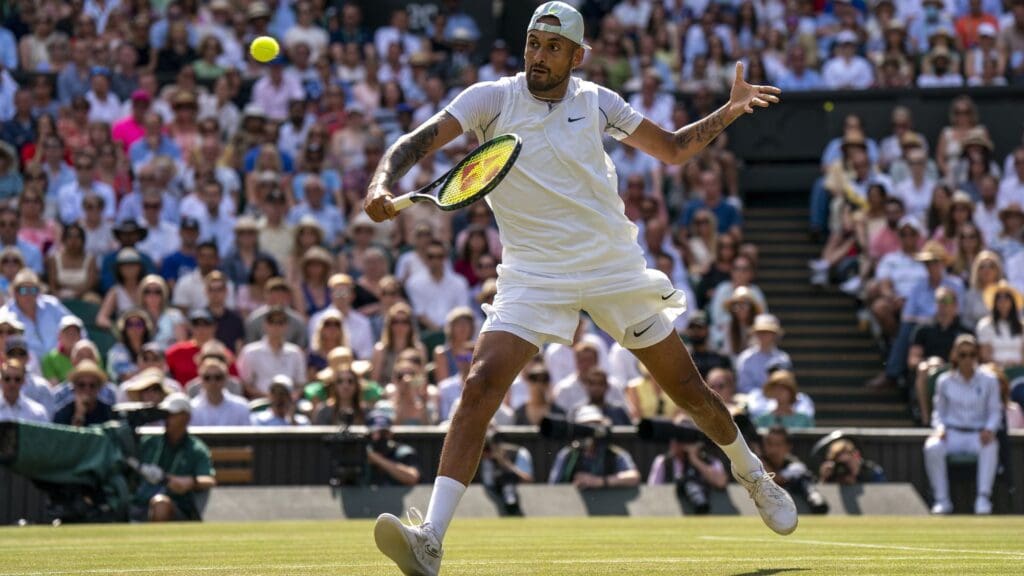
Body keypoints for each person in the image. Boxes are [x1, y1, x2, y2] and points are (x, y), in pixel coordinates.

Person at [368, 5, 795, 571]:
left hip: (610, 265)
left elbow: (672, 149)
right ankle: (430, 538)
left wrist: (731, 108)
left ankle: (753, 473)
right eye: (533, 43)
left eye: (553, 47)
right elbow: (415, 143)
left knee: (689, 390)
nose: (538, 55)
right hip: (533, 273)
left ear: (577, 56)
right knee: (480, 384)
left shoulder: (599, 102)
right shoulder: (489, 98)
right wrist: (380, 183)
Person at [924, 335, 1002, 515]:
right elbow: (938, 413)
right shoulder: (944, 381)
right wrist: (940, 429)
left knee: (990, 445)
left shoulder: (990, 380)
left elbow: (995, 411)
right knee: (932, 446)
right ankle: (942, 500)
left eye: (971, 354)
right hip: (952, 434)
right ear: (955, 356)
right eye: (963, 355)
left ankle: (983, 498)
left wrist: (989, 429)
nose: (967, 359)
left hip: (977, 435)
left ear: (977, 355)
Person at [132, 393, 216, 522]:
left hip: (178, 506)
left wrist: (190, 482)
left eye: (173, 414)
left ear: (186, 417)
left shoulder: (196, 449)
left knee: (161, 504)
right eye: (166, 414)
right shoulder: (149, 443)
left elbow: (209, 479)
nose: (167, 419)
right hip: (141, 503)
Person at [647, 415, 729, 514]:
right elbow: (652, 490)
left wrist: (694, 459)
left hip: (706, 513)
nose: (679, 441)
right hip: (669, 513)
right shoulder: (663, 462)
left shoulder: (710, 461)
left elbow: (721, 482)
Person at [547, 405, 641, 488]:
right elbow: (553, 486)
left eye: (595, 425)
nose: (590, 430)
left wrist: (599, 481)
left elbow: (634, 477)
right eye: (584, 426)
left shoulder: (614, 453)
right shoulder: (568, 454)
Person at [1, 269, 72, 361]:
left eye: (33, 290)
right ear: (15, 292)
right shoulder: (4, 314)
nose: (28, 295)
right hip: (25, 366)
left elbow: (76, 327)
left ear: (38, 292)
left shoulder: (52, 305)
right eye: (23, 290)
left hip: (60, 363)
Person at [237, 306, 305, 398]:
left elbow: (300, 384)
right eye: (272, 322)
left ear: (286, 326)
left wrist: (290, 397)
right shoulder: (250, 351)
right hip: (260, 402)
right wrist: (268, 397)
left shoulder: (296, 352)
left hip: (290, 402)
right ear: (265, 325)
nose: (276, 326)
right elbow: (245, 384)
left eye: (280, 322)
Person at [761, 427, 828, 514]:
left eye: (778, 444)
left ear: (788, 447)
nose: (773, 449)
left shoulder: (796, 466)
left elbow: (777, 479)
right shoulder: (756, 461)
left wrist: (758, 461)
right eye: (769, 444)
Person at [365, 410, 422, 487]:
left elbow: (412, 477)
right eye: (374, 433)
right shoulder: (363, 451)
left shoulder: (403, 452)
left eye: (383, 433)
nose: (378, 437)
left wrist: (378, 459)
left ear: (390, 434)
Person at [189, 358, 251, 426]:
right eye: (207, 377)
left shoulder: (241, 406)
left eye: (218, 377)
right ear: (200, 380)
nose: (213, 382)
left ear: (226, 379)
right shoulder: (192, 408)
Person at [52, 360, 114, 426]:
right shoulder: (62, 414)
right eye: (81, 385)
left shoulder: (109, 412)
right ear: (74, 387)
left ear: (99, 388)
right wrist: (79, 415)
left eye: (92, 385)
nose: (87, 389)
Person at [818, 439, 887, 485]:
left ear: (856, 456)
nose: (844, 468)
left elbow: (881, 494)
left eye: (847, 463)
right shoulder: (833, 473)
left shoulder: (871, 471)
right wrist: (824, 479)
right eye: (840, 464)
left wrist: (855, 483)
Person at [0, 358, 48, 423]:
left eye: (17, 379)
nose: (12, 384)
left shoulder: (37, 412)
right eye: (7, 379)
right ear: (1, 380)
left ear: (23, 381)